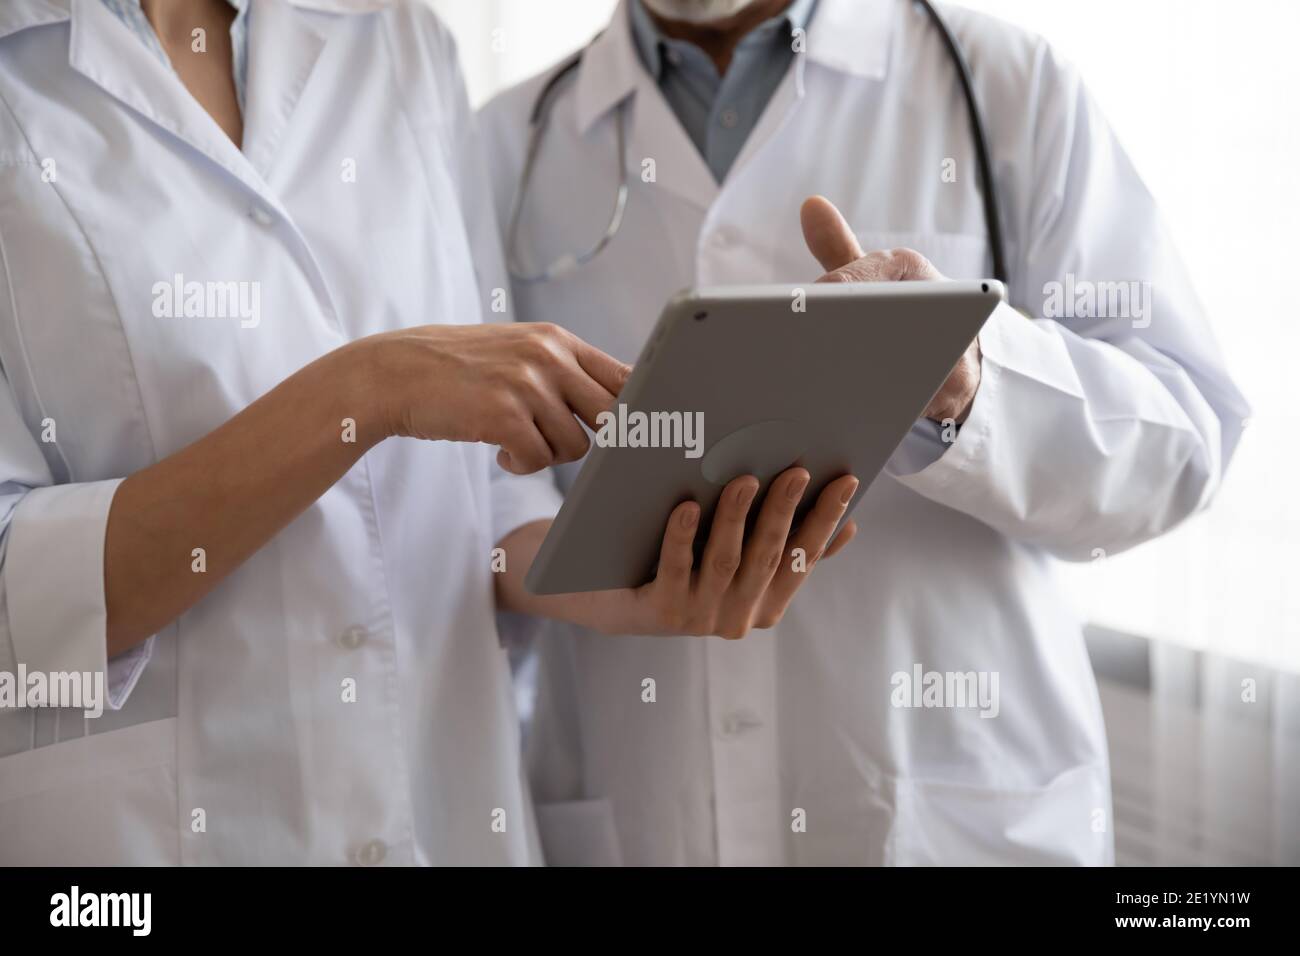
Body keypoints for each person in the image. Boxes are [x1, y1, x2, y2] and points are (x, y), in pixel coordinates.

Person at [0, 0, 855, 865]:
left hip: (442, 809)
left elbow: (483, 485)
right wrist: (370, 387)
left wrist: (610, 576)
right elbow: (14, 585)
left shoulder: (400, 35)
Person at [480, 0, 1251, 864]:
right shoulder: (508, 142)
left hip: (953, 813)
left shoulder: (1006, 85)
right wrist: (544, 551)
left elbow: (1184, 440)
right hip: (644, 808)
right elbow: (462, 491)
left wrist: (975, 381)